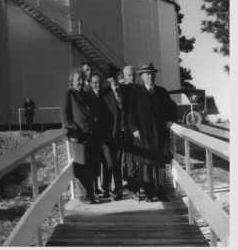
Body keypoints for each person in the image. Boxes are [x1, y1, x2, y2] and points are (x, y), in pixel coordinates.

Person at [129, 62, 179, 201]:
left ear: (155, 76)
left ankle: (161, 193)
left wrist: (170, 121)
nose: (150, 77)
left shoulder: (162, 92)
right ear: (142, 77)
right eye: (147, 75)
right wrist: (134, 128)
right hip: (144, 134)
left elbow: (172, 108)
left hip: (160, 134)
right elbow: (130, 113)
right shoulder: (136, 93)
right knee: (146, 165)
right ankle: (149, 194)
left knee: (160, 165)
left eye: (151, 74)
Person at [61, 70, 101, 204]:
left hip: (91, 134)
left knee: (91, 165)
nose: (81, 82)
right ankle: (83, 195)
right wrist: (73, 131)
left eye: (82, 79)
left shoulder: (86, 94)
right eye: (78, 79)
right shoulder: (69, 94)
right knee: (80, 166)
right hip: (78, 136)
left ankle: (90, 193)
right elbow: (64, 116)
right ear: (72, 81)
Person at [96, 73, 126, 201]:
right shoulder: (103, 93)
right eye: (111, 77)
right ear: (108, 79)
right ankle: (106, 189)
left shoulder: (124, 91)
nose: (113, 79)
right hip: (107, 134)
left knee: (118, 163)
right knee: (108, 162)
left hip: (122, 132)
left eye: (115, 76)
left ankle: (118, 189)